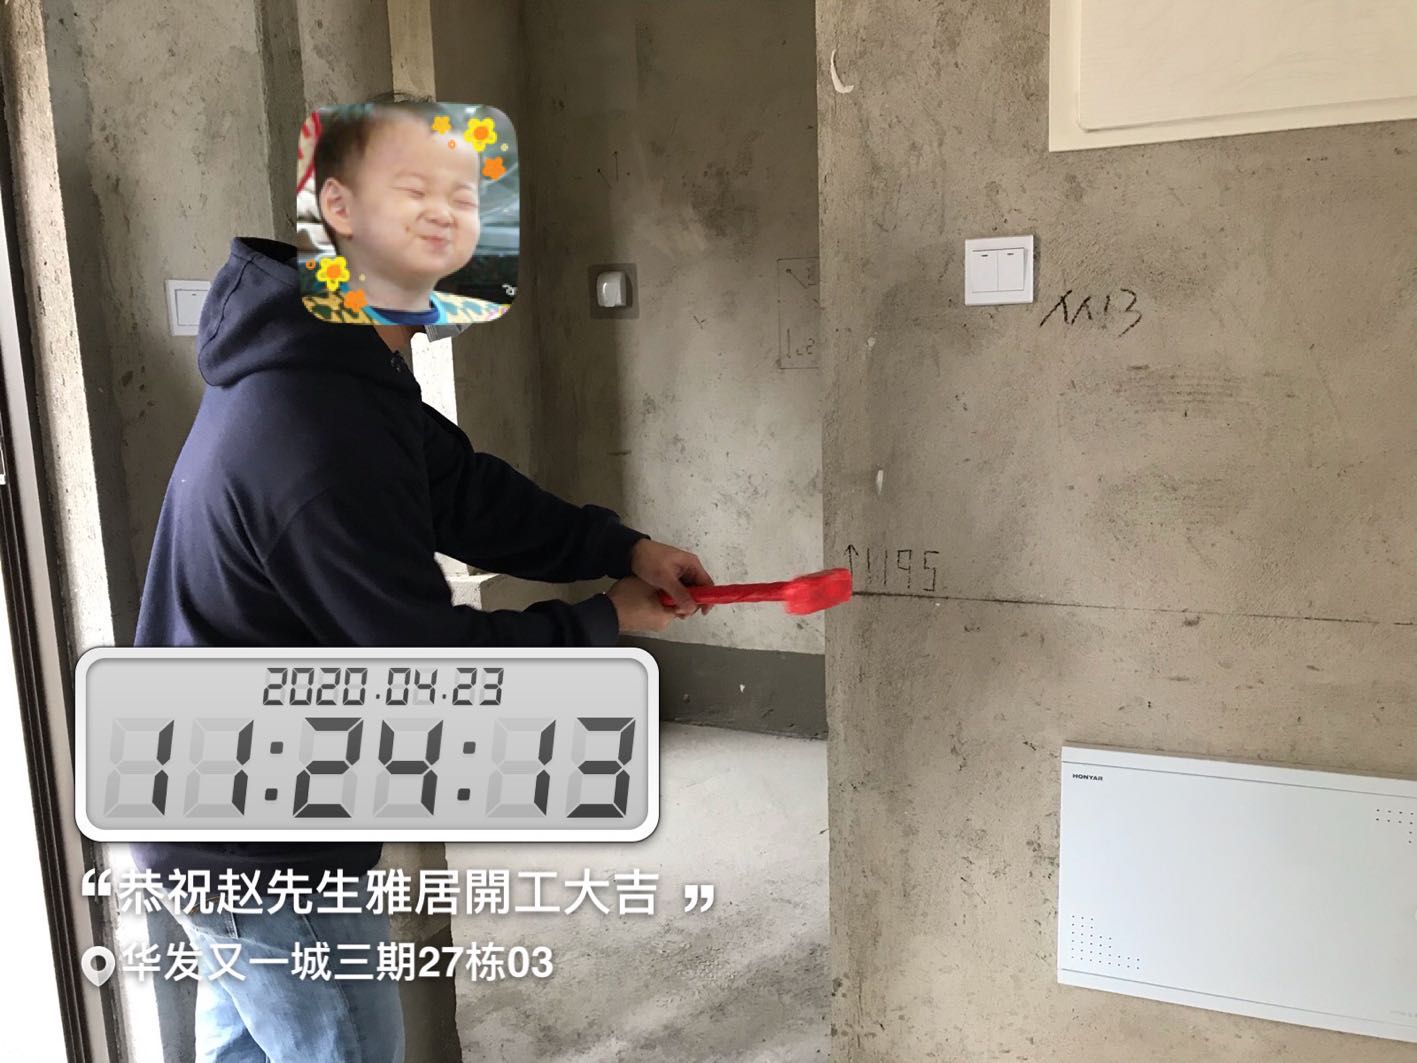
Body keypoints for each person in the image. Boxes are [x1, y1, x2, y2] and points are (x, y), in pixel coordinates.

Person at [131, 228, 713, 1061]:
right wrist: (601, 620)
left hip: (215, 810)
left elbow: (464, 492)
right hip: (257, 848)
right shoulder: (316, 436)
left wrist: (622, 549)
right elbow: (432, 671)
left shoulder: (336, 362)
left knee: (250, 1042)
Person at [298, 99, 507, 327]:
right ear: (341, 208)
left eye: (463, 201)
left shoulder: (484, 316)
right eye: (415, 191)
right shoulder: (307, 325)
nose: (442, 215)